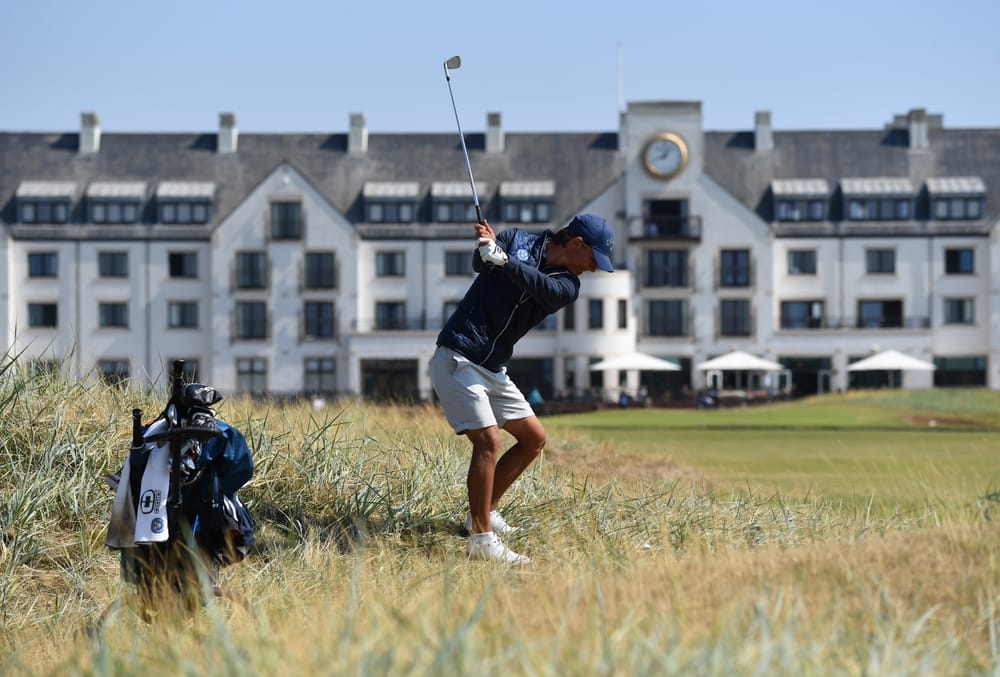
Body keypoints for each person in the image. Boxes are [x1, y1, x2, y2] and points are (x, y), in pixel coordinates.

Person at [429, 213, 615, 563]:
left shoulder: (568, 286)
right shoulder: (516, 239)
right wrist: (485, 249)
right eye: (593, 259)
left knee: (533, 438)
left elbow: (538, 286)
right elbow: (481, 264)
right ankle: (481, 540)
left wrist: (505, 260)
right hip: (458, 357)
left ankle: (483, 512)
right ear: (577, 244)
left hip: (493, 368)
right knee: (488, 441)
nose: (593, 268)